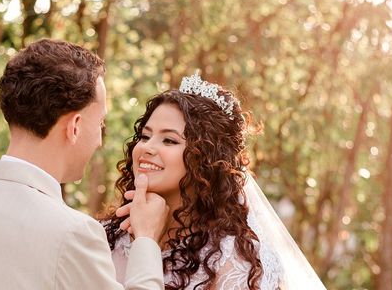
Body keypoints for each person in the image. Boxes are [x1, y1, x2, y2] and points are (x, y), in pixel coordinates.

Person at [0, 39, 169, 290]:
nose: (100, 141)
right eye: (100, 124)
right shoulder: (72, 234)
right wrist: (146, 238)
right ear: (75, 127)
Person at [103, 72, 327, 289]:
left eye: (169, 140)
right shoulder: (104, 237)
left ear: (205, 159)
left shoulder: (235, 261)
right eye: (145, 136)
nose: (147, 148)